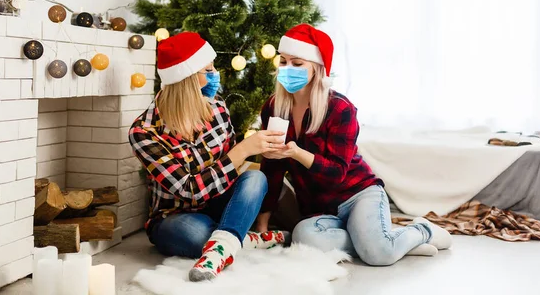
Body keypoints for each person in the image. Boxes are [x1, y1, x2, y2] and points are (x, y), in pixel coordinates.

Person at [255, 24, 452, 266]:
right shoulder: (274, 108)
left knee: (378, 256)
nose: (287, 69)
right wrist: (262, 226)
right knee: (303, 239)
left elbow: (337, 173)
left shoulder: (340, 108)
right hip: (321, 209)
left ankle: (421, 231)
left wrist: (297, 153)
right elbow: (272, 168)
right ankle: (379, 240)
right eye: (283, 61)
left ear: (317, 69)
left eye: (297, 64)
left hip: (358, 194)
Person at [129, 32, 288, 282]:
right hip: (175, 217)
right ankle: (240, 238)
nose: (215, 75)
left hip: (220, 203)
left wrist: (257, 152)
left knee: (256, 178)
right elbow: (190, 190)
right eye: (208, 69)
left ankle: (219, 248)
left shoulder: (217, 108)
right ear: (188, 79)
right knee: (195, 234)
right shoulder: (145, 133)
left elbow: (234, 167)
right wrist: (243, 150)